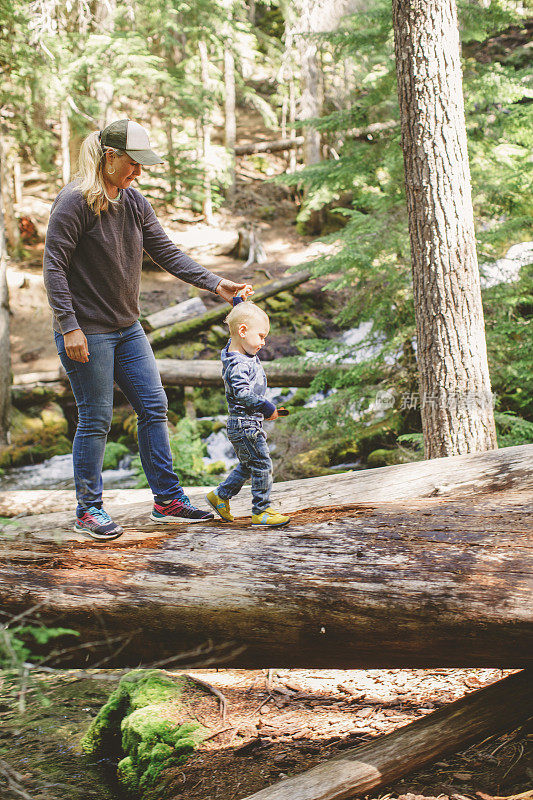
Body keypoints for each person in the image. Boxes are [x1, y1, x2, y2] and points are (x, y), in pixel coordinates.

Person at [43, 119, 249, 541]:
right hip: (87, 330)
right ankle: (88, 509)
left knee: (154, 406)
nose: (139, 172)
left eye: (142, 165)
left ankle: (167, 500)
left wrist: (216, 283)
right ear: (109, 157)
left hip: (127, 327)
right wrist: (69, 327)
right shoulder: (74, 202)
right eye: (133, 163)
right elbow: (54, 268)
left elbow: (167, 253)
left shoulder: (134, 202)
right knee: (95, 417)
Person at [205, 291, 290, 527]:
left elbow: (237, 326)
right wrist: (266, 407)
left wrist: (240, 303)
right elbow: (242, 393)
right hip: (246, 425)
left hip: (243, 424)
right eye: (261, 336)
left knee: (248, 464)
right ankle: (261, 511)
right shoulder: (238, 365)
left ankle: (220, 496)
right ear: (243, 332)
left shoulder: (235, 349)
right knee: (262, 465)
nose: (263, 342)